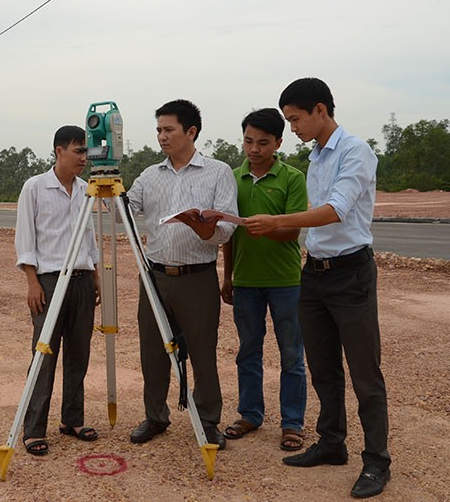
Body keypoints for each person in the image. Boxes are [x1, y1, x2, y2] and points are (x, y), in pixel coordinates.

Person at [245, 78, 391, 499]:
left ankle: (377, 461)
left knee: (364, 372)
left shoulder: (355, 151)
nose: (292, 128)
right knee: (323, 368)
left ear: (320, 110)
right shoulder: (316, 157)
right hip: (314, 274)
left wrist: (277, 221)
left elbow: (335, 211)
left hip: (351, 273)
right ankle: (331, 443)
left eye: (295, 119)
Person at [126, 99, 238, 450]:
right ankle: (155, 416)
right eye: (159, 130)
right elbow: (122, 212)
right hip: (155, 276)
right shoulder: (149, 175)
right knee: (152, 350)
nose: (162, 136)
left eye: (169, 129)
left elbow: (227, 228)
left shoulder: (218, 172)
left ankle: (207, 420)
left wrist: (206, 229)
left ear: (191, 131)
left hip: (197, 277)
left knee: (203, 351)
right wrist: (107, 190)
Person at [220, 108, 308, 452]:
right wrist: (227, 276)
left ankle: (292, 423)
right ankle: (250, 414)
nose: (254, 149)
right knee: (248, 352)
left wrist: (268, 226)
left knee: (291, 354)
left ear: (278, 143)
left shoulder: (292, 178)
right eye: (248, 141)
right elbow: (229, 234)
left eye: (263, 142)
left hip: (286, 281)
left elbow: (293, 230)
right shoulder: (232, 178)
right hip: (245, 282)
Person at [14, 124, 101, 456]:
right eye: (78, 151)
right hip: (49, 281)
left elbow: (89, 236)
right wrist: (32, 282)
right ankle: (34, 428)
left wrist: (95, 275)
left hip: (82, 279)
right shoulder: (35, 187)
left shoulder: (86, 189)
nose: (84, 158)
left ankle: (72, 419)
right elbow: (25, 238)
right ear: (59, 151)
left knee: (79, 354)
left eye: (86, 152)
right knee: (44, 356)